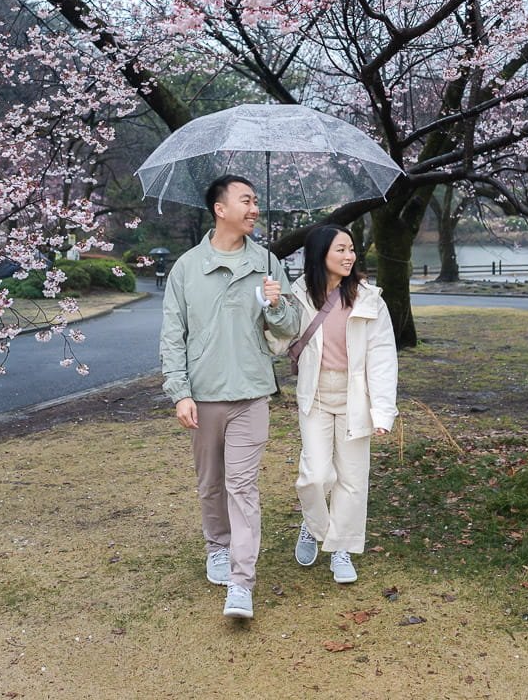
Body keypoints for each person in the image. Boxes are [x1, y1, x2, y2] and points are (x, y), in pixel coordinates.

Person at [159, 175, 299, 620]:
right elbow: (172, 337)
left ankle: (242, 583)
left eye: (256, 201)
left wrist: (277, 306)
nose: (255, 208)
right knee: (211, 483)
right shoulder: (186, 268)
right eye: (246, 200)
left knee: (242, 487)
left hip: (253, 391)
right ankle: (216, 546)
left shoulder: (268, 263)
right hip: (203, 396)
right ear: (221, 209)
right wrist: (180, 392)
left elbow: (290, 327)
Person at [288, 224, 398, 585]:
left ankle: (341, 550)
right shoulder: (298, 295)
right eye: (340, 249)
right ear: (321, 254)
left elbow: (383, 357)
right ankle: (314, 525)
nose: (349, 256)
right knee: (315, 476)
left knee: (352, 479)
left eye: (351, 249)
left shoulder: (369, 298)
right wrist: (272, 308)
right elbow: (277, 343)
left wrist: (382, 410)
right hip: (316, 395)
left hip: (355, 398)